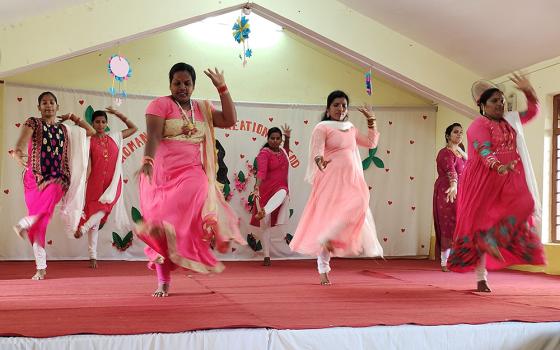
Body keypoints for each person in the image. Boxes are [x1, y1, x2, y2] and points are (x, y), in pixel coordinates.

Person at [136, 63, 245, 297]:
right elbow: (154, 135)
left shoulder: (202, 108)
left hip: (192, 171)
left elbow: (229, 120)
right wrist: (147, 161)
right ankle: (163, 280)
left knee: (199, 188)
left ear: (194, 85)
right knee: (163, 229)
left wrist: (222, 88)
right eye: (177, 83)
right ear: (170, 84)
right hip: (162, 172)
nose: (182, 87)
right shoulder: (160, 104)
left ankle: (199, 236)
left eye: (187, 83)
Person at [447, 73, 546, 292]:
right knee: (482, 224)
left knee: (526, 205)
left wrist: (528, 91)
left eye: (501, 100)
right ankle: (481, 277)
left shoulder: (510, 120)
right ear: (481, 105)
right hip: (483, 180)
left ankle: (491, 239)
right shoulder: (477, 126)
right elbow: (484, 151)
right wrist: (499, 166)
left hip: (509, 177)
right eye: (494, 101)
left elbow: (533, 111)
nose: (500, 104)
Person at [289, 90, 383, 285]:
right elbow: (317, 150)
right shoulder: (322, 128)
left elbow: (371, 142)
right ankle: (323, 269)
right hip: (330, 178)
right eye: (336, 105)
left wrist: (371, 120)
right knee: (327, 218)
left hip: (352, 179)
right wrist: (319, 160)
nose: (341, 109)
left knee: (360, 202)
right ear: (328, 108)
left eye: (344, 105)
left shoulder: (350, 128)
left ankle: (328, 237)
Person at [12, 91, 95, 280]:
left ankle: (24, 223)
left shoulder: (66, 129)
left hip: (58, 177)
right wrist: (17, 152)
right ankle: (41, 268)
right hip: (33, 178)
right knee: (40, 222)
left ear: (57, 107)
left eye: (51, 102)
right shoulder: (33, 122)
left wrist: (73, 118)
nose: (48, 105)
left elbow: (90, 132)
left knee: (42, 208)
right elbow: (21, 142)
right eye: (44, 103)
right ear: (39, 107)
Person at [74, 107, 137, 268]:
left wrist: (119, 114)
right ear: (92, 123)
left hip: (113, 182)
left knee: (104, 208)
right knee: (95, 217)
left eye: (103, 122)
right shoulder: (89, 141)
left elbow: (134, 128)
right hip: (95, 183)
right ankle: (93, 256)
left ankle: (84, 227)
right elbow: (84, 163)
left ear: (107, 123)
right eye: (97, 122)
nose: (100, 125)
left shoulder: (115, 137)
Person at [251, 124, 292, 266]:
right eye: (272, 138)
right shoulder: (264, 153)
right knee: (265, 225)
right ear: (268, 139)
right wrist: (256, 186)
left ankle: (264, 211)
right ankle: (267, 256)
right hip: (265, 190)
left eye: (277, 138)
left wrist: (287, 138)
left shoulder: (282, 152)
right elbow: (261, 172)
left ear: (280, 140)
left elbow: (286, 151)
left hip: (279, 188)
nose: (275, 141)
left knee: (283, 191)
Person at [433, 123, 466, 272]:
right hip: (447, 192)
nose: (459, 135)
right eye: (455, 132)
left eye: (461, 132)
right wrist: (453, 185)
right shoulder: (444, 153)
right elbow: (450, 170)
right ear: (448, 135)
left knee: (460, 224)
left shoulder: (461, 152)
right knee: (448, 224)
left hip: (461, 192)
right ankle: (444, 262)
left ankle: (458, 259)